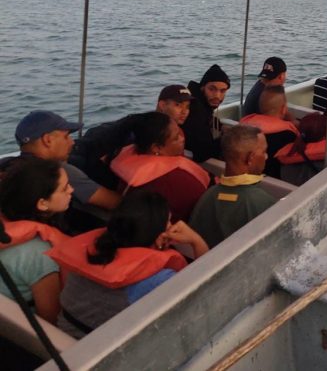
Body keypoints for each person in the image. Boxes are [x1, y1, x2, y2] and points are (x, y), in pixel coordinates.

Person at [49, 190, 208, 338]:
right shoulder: (159, 281)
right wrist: (197, 241)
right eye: (168, 222)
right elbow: (206, 297)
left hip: (63, 339)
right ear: (159, 236)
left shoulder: (88, 254)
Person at [7, 111, 122, 218]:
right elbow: (116, 203)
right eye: (66, 136)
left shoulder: (8, 164)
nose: (72, 142)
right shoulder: (58, 172)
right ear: (48, 140)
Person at [0, 158, 72, 323]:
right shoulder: (40, 253)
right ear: (42, 204)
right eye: (65, 188)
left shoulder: (5, 225)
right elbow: (52, 319)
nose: (71, 190)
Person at [110, 112, 210, 222]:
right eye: (176, 138)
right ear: (156, 148)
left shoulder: (128, 160)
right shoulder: (175, 179)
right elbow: (204, 203)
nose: (182, 138)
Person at [189, 125, 277, 248]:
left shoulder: (207, 197)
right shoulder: (261, 202)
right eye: (264, 152)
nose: (266, 157)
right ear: (250, 158)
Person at [240, 86, 299, 178]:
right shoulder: (289, 136)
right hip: (276, 185)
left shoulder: (241, 129)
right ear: (283, 109)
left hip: (243, 179)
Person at [182, 64, 230, 162]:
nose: (217, 95)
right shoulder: (195, 110)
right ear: (202, 87)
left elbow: (208, 117)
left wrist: (220, 126)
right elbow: (203, 153)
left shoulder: (200, 102)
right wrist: (227, 138)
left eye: (222, 91)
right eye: (212, 89)